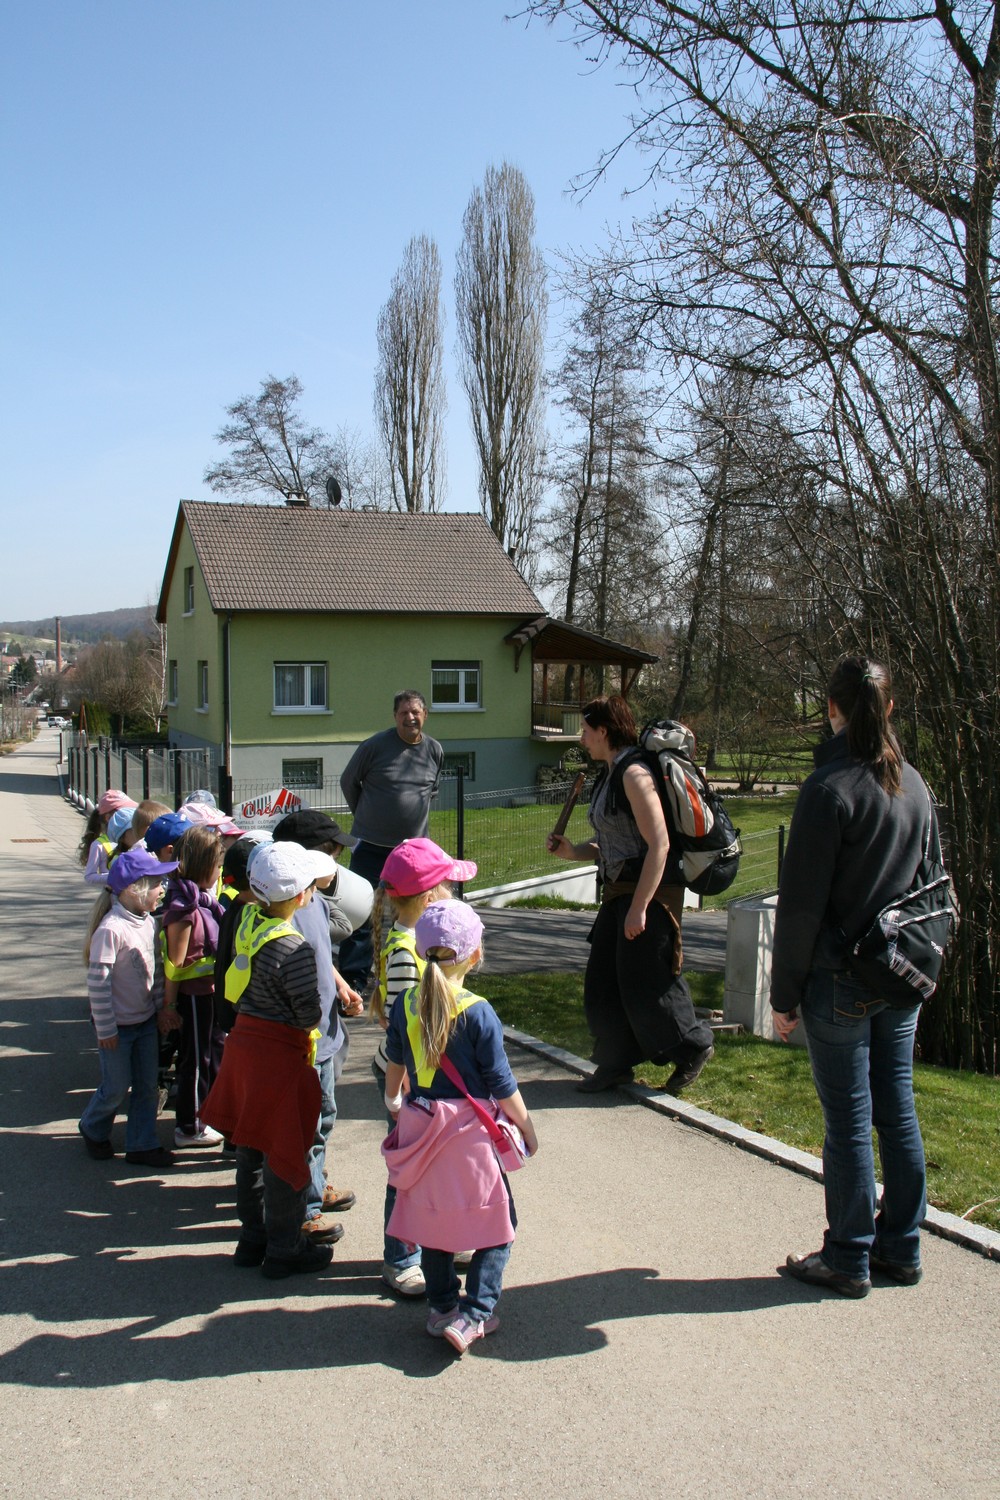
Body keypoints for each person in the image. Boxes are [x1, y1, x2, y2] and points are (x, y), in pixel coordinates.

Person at [770, 656, 936, 1298]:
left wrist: (783, 997)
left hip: (840, 979)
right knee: (897, 1110)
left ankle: (848, 1254)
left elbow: (801, 909)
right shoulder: (913, 785)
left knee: (848, 1118)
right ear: (890, 708)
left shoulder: (829, 790)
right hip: (901, 973)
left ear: (831, 708)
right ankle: (902, 1246)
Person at [382, 899, 537, 1353]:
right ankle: (475, 1313)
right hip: (467, 1134)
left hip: (420, 1121)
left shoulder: (409, 1001)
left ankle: (443, 1307)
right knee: (497, 1223)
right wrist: (526, 1127)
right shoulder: (477, 1011)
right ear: (475, 955)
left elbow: (395, 1064)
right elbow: (501, 1082)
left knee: (434, 1225)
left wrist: (395, 1101)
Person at [547, 694, 715, 1094]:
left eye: (586, 731)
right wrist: (572, 851)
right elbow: (614, 844)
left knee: (648, 982)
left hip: (648, 895)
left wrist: (640, 908)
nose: (581, 738)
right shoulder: (611, 772)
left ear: (604, 731)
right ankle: (615, 1063)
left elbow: (659, 845)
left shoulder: (634, 775)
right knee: (604, 981)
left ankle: (694, 1047)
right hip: (620, 893)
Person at [201, 841, 334, 1280]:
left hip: (245, 1046)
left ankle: (252, 1236)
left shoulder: (249, 922)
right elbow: (307, 1011)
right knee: (283, 1153)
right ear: (301, 896)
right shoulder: (293, 947)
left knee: (252, 1150)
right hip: (278, 1055)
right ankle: (284, 1246)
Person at [371, 837, 477, 1297]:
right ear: (430, 896)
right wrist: (407, 1092)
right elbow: (403, 1032)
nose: (454, 892)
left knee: (440, 1165)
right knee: (410, 1169)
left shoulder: (422, 942)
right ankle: (401, 1257)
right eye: (449, 885)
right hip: (412, 1076)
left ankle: (443, 1241)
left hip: (433, 1075)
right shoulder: (404, 952)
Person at [272, 815, 369, 1241]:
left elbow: (320, 955)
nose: (338, 860)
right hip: (305, 1041)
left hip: (325, 1035)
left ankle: (314, 1184)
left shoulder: (310, 902)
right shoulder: (286, 910)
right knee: (309, 1123)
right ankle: (304, 1210)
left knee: (323, 1117)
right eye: (333, 852)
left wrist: (342, 985)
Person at [337, 691, 445, 992]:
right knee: (361, 914)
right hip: (370, 847)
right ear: (395, 716)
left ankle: (408, 976)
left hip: (411, 854)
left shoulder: (434, 750)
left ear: (425, 714)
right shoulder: (374, 747)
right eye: (404, 713)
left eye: (416, 712)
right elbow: (348, 781)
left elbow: (430, 792)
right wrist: (366, 816)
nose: (410, 718)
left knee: (411, 916)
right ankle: (354, 980)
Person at [78, 846, 179, 1168]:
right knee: (116, 1087)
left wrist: (162, 1009)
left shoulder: (149, 922)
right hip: (117, 1027)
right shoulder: (111, 929)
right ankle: (92, 1127)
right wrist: (105, 1028)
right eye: (158, 883)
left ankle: (142, 1144)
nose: (163, 889)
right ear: (136, 889)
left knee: (148, 1085)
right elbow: (98, 984)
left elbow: (157, 969)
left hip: (145, 1022)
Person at [160, 824, 226, 1147]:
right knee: (196, 1061)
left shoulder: (200, 899)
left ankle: (205, 1116)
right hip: (194, 998)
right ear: (203, 865)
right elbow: (175, 964)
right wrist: (169, 1007)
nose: (219, 871)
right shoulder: (183, 908)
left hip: (209, 994)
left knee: (211, 1057)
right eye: (216, 865)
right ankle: (189, 1126)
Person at [78, 789, 137, 886]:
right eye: (125, 812)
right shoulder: (99, 845)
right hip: (113, 897)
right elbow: (89, 876)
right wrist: (113, 877)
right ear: (108, 817)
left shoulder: (134, 839)